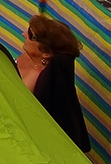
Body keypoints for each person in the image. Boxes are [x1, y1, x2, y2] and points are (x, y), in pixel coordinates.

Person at [19, 16, 90, 153]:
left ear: (46, 53)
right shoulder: (27, 58)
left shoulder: (40, 80)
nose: (24, 34)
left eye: (31, 35)